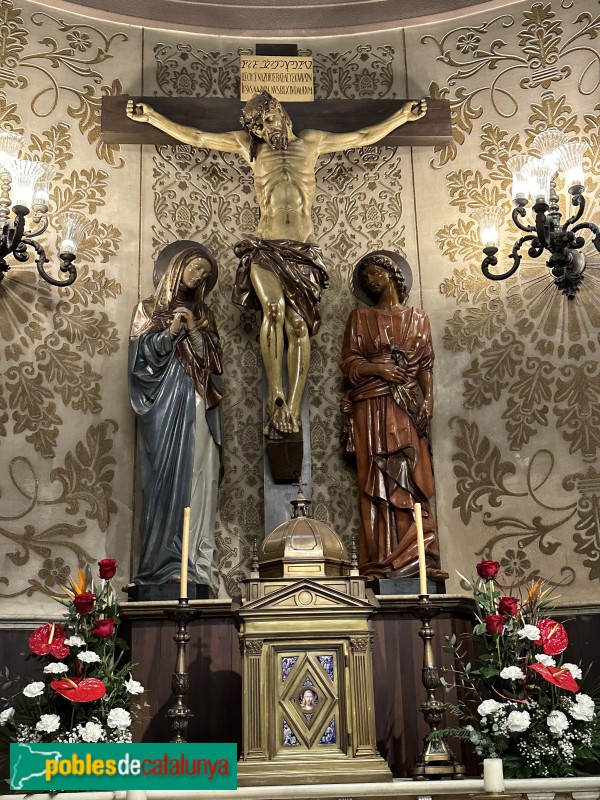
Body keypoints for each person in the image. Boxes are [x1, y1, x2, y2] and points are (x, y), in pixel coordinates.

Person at [126, 92, 427, 438]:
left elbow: (361, 136)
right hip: (266, 247)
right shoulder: (250, 147)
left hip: (302, 251)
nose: (268, 129)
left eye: (270, 120)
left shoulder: (311, 142)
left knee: (299, 328)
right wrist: (152, 118)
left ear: (281, 113)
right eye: (260, 126)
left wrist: (401, 117)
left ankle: (293, 406)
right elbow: (196, 136)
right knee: (272, 308)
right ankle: (275, 395)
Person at [340, 252, 445, 581]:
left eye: (376, 272)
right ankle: (381, 559)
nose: (372, 280)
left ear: (393, 274)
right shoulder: (360, 318)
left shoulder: (418, 318)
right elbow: (350, 363)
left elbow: (425, 365)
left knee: (409, 474)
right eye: (367, 276)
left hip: (407, 407)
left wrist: (429, 400)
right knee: (377, 479)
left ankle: (418, 555)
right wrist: (379, 369)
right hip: (371, 406)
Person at [129, 241, 223, 592]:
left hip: (196, 398)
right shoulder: (147, 309)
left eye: (205, 274)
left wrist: (194, 329)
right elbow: (140, 364)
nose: (199, 276)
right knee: (162, 477)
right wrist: (170, 332)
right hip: (163, 403)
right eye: (196, 267)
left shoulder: (205, 314)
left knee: (199, 471)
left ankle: (192, 563)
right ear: (178, 266)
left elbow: (213, 364)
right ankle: (158, 563)